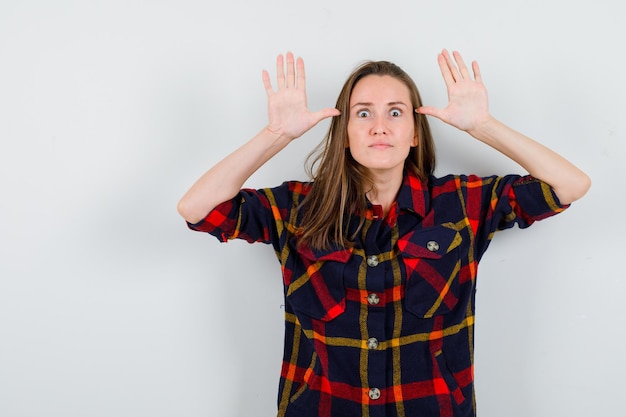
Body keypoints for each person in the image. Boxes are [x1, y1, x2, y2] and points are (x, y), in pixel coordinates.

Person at [177, 50, 590, 417]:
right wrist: (277, 135)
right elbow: (197, 209)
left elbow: (570, 185)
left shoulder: (461, 204)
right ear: (345, 135)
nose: (379, 126)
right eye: (363, 113)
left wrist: (483, 126)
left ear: (414, 133)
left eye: (395, 112)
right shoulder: (297, 209)